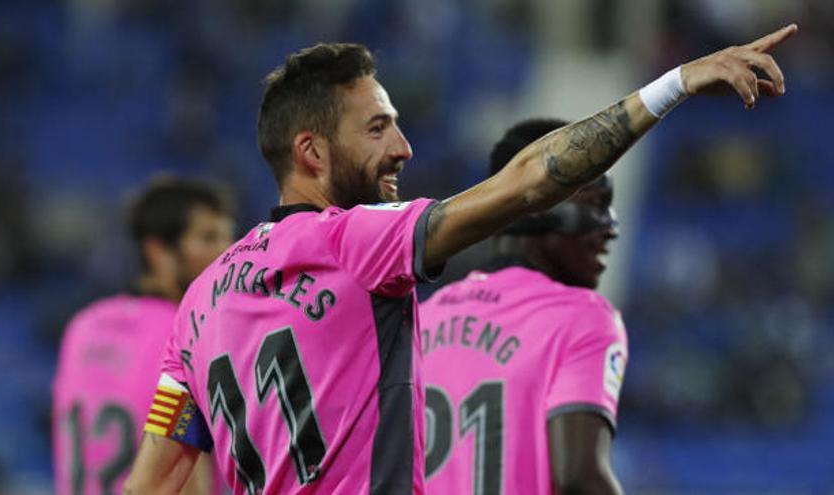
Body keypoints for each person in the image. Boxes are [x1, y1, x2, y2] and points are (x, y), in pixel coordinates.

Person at [125, 24, 797, 495]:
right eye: (378, 126)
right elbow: (531, 181)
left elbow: (153, 478)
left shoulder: (199, 302)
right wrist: (674, 84)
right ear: (311, 152)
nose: (405, 147)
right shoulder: (358, 240)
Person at [422, 118, 626, 495]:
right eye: (597, 203)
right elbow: (578, 478)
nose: (610, 226)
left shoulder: (419, 322)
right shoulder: (583, 317)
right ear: (535, 199)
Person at [52, 177, 236, 495]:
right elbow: (184, 473)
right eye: (208, 237)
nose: (227, 251)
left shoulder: (82, 327)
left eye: (227, 237)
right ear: (158, 252)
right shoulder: (187, 337)